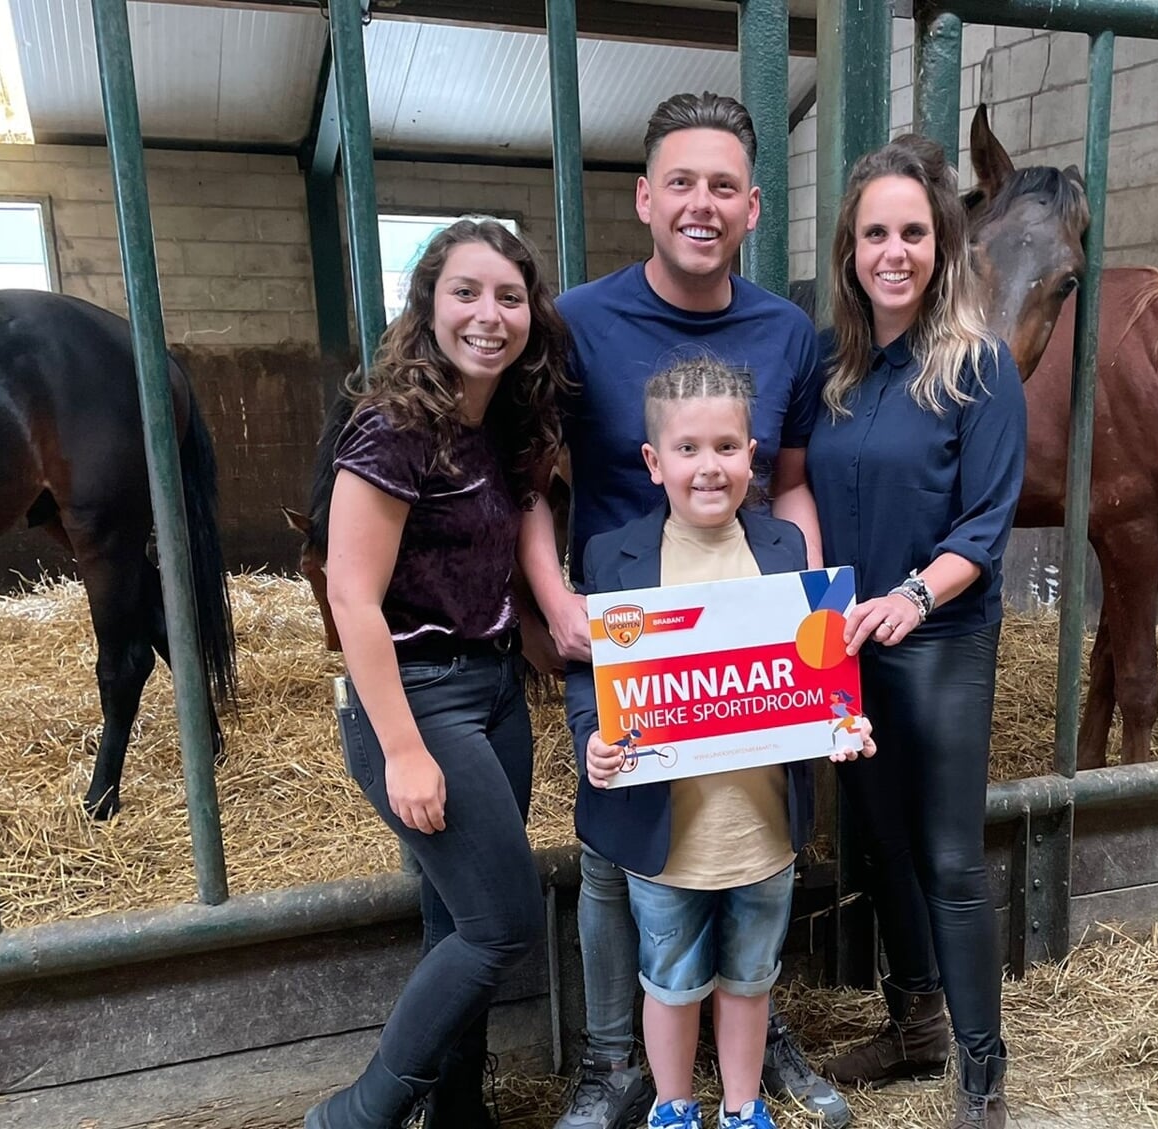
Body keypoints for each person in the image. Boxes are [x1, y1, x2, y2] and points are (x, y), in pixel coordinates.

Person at [520, 91, 849, 1129]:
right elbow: (534, 476)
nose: (699, 204)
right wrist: (554, 599)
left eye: (721, 186)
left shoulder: (786, 331)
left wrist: (813, 629)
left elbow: (789, 482)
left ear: (751, 207)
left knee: (745, 849)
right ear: (644, 198)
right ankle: (619, 1070)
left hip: (740, 630)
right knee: (629, 859)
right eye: (680, 182)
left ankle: (752, 1051)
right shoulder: (576, 321)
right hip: (626, 623)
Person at [306, 219, 571, 1129]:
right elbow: (350, 596)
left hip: (494, 691)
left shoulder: (495, 424)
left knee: (457, 924)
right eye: (466, 292)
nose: (488, 315)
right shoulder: (392, 427)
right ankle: (356, 1115)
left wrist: (542, 636)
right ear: (428, 305)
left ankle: (457, 1114)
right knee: (503, 925)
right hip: (419, 700)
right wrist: (404, 751)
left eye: (508, 296)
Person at [566, 359, 872, 1129]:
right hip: (664, 838)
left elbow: (815, 670)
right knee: (667, 979)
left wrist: (843, 721)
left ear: (753, 453)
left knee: (749, 977)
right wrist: (592, 739)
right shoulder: (613, 557)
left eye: (728, 447)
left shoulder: (783, 547)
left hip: (762, 829)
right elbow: (588, 678)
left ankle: (742, 1107)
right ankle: (673, 1108)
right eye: (689, 449)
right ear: (653, 461)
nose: (710, 467)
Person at [805, 136, 1027, 1129]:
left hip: (933, 640)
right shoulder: (839, 368)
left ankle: (980, 1069)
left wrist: (912, 597)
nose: (891, 251)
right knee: (880, 845)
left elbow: (984, 523)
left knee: (946, 856)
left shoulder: (975, 365)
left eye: (911, 232)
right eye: (872, 234)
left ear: (939, 244)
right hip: (845, 644)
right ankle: (911, 1028)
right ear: (849, 249)